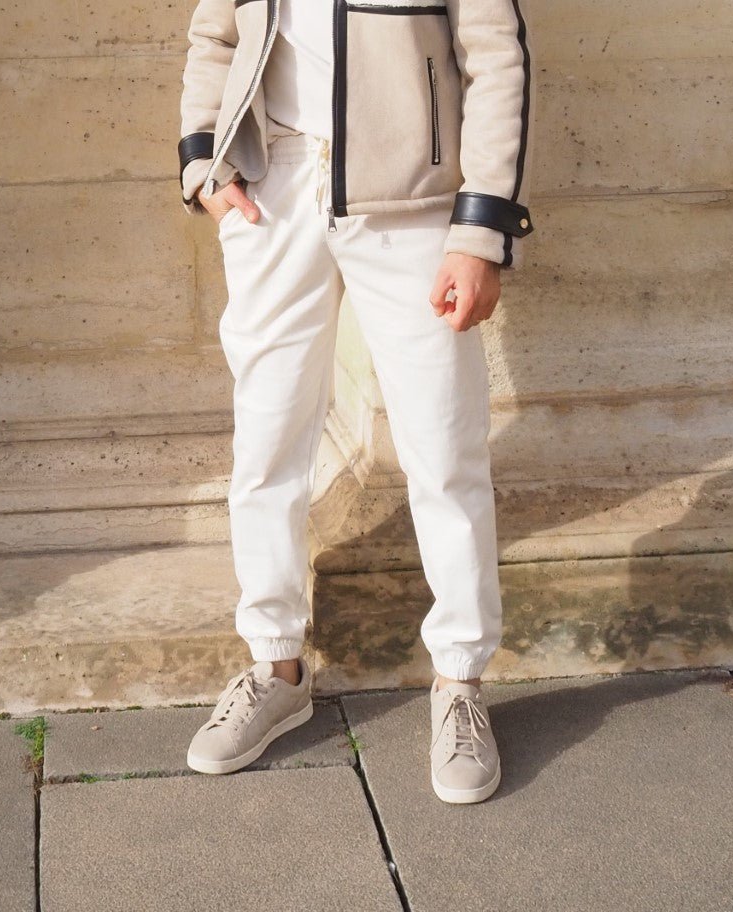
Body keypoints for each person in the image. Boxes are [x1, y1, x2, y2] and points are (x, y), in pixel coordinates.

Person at [177, 0, 534, 804]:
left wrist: (480, 231)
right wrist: (204, 159)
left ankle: (460, 682)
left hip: (411, 198)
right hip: (272, 188)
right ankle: (275, 668)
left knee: (443, 447)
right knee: (266, 442)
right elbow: (215, 32)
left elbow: (497, 55)